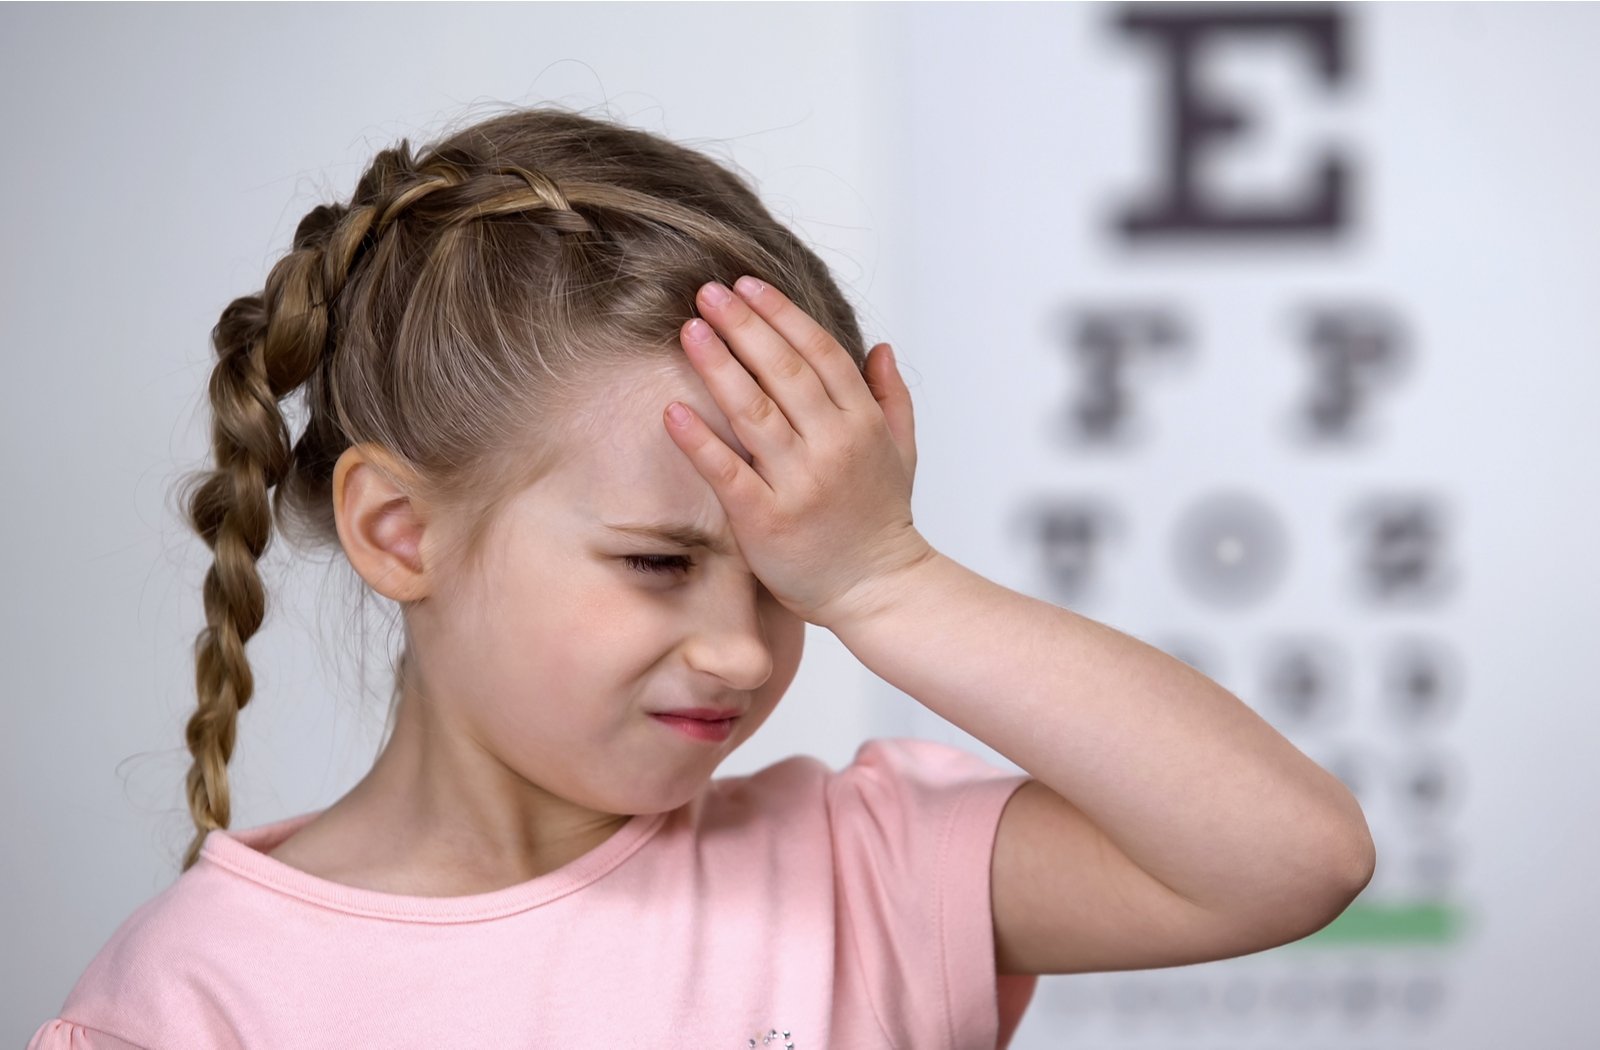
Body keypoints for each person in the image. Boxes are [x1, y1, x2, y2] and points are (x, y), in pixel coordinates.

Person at [29, 103, 1375, 1050]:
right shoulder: (194, 1005)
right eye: (659, 560)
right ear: (398, 531)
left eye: (789, 577)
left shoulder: (861, 876)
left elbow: (1291, 859)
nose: (742, 647)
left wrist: (886, 578)